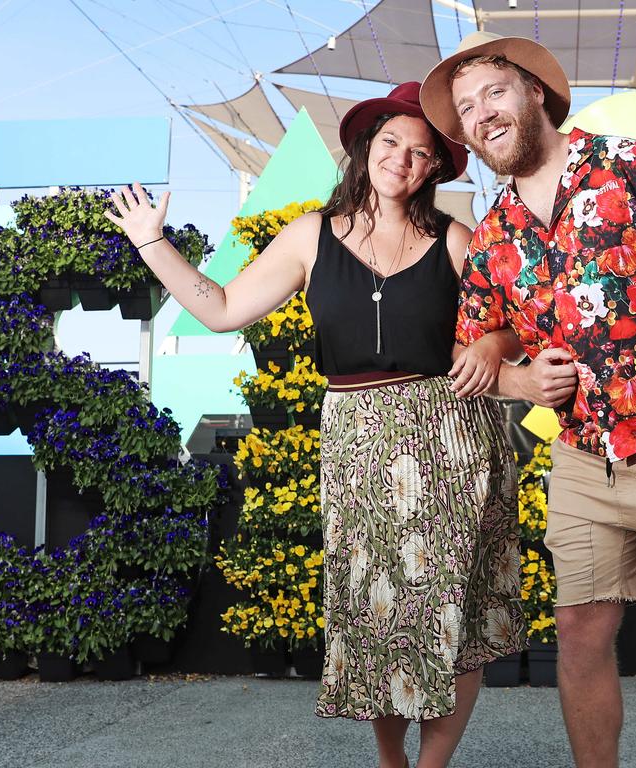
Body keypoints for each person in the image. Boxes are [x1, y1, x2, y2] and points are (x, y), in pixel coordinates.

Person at [105, 81, 542, 768]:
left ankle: (431, 767)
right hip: (358, 439)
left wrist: (492, 346)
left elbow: (522, 325)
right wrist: (151, 242)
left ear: (434, 169)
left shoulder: (457, 240)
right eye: (392, 142)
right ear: (368, 148)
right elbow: (220, 308)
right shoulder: (310, 235)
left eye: (421, 152)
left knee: (455, 616)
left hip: (452, 435)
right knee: (375, 616)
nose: (402, 159)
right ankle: (392, 759)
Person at [421, 33, 636, 768]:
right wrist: (511, 374)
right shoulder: (493, 236)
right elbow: (472, 346)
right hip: (584, 459)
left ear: (535, 94)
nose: (481, 114)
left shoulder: (628, 164)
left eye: (493, 93)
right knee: (578, 633)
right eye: (465, 110)